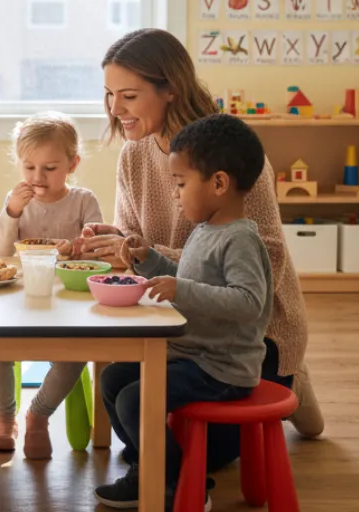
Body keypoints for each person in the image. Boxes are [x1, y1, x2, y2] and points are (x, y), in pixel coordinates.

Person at [79, 28, 322, 467]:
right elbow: (136, 245)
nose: (115, 109)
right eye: (109, 94)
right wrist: (117, 243)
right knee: (131, 416)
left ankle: (290, 372)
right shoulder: (133, 156)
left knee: (204, 458)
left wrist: (162, 263)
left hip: (249, 334)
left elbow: (268, 260)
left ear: (170, 88)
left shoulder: (227, 151)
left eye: (129, 95)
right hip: (182, 327)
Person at [96, 114, 273, 510]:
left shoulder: (240, 238)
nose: (175, 194)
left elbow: (249, 302)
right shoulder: (206, 229)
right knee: (113, 380)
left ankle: (179, 482)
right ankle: (151, 464)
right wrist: (151, 261)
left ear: (219, 183)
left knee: (133, 400)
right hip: (192, 355)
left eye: (180, 183)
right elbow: (189, 278)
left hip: (222, 368)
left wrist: (183, 289)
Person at [0, 112, 104, 458]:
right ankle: (4, 421)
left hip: (67, 303)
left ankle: (38, 414)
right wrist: (11, 212)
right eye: (29, 168)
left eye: (50, 169)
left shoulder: (83, 200)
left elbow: (96, 251)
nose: (38, 178)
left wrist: (80, 245)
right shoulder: (18, 201)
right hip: (20, 300)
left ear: (73, 163)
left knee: (76, 354)